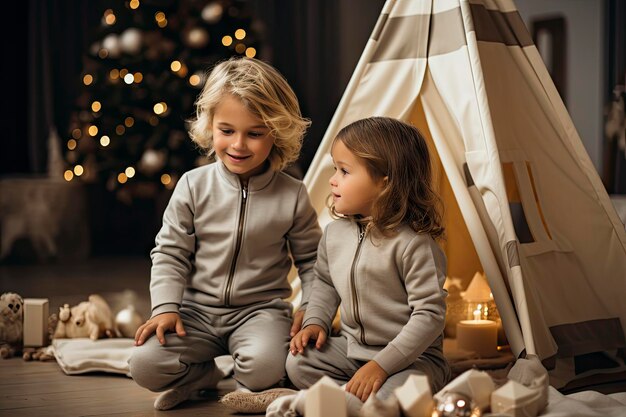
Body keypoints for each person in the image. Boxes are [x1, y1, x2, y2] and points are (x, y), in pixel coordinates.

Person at [128, 57, 322, 411]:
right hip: (194, 313)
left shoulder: (292, 194)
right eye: (227, 130)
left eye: (255, 133)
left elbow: (312, 261)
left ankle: (246, 376)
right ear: (210, 126)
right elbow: (170, 252)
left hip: (260, 312)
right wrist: (166, 308)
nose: (238, 145)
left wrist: (310, 308)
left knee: (265, 368)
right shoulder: (192, 185)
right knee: (144, 365)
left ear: (276, 132)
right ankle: (202, 376)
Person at [286, 116, 451, 407]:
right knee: (298, 363)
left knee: (392, 398)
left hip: (413, 360)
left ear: (384, 183)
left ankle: (352, 401)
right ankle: (355, 397)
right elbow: (325, 284)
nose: (333, 179)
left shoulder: (414, 244)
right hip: (354, 351)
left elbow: (429, 316)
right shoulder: (334, 234)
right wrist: (316, 321)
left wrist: (382, 365)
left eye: (344, 171)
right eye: (335, 169)